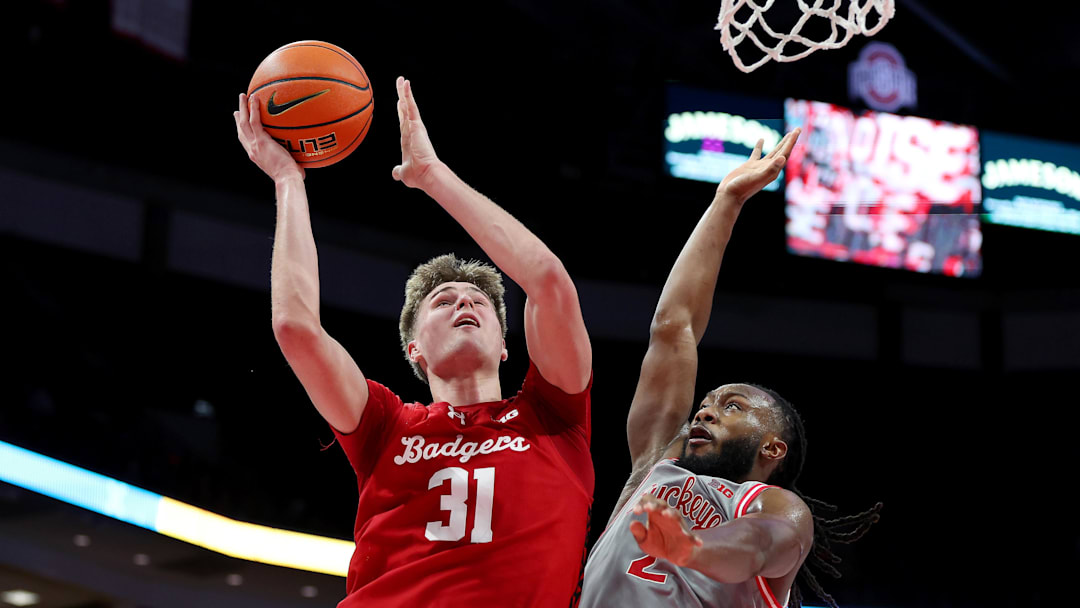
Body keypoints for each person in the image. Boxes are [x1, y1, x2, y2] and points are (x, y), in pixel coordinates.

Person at [234, 77, 593, 607]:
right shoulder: (386, 425)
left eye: (479, 302)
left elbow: (547, 281)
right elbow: (295, 328)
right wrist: (288, 181)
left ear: (504, 346)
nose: (464, 304)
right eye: (443, 301)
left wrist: (432, 176)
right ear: (414, 350)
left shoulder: (556, 418)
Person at [579, 129, 880, 608]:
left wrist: (692, 547)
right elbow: (672, 328)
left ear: (773, 447)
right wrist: (728, 200)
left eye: (731, 406)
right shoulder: (654, 469)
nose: (703, 413)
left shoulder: (780, 508)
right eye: (704, 405)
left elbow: (758, 545)